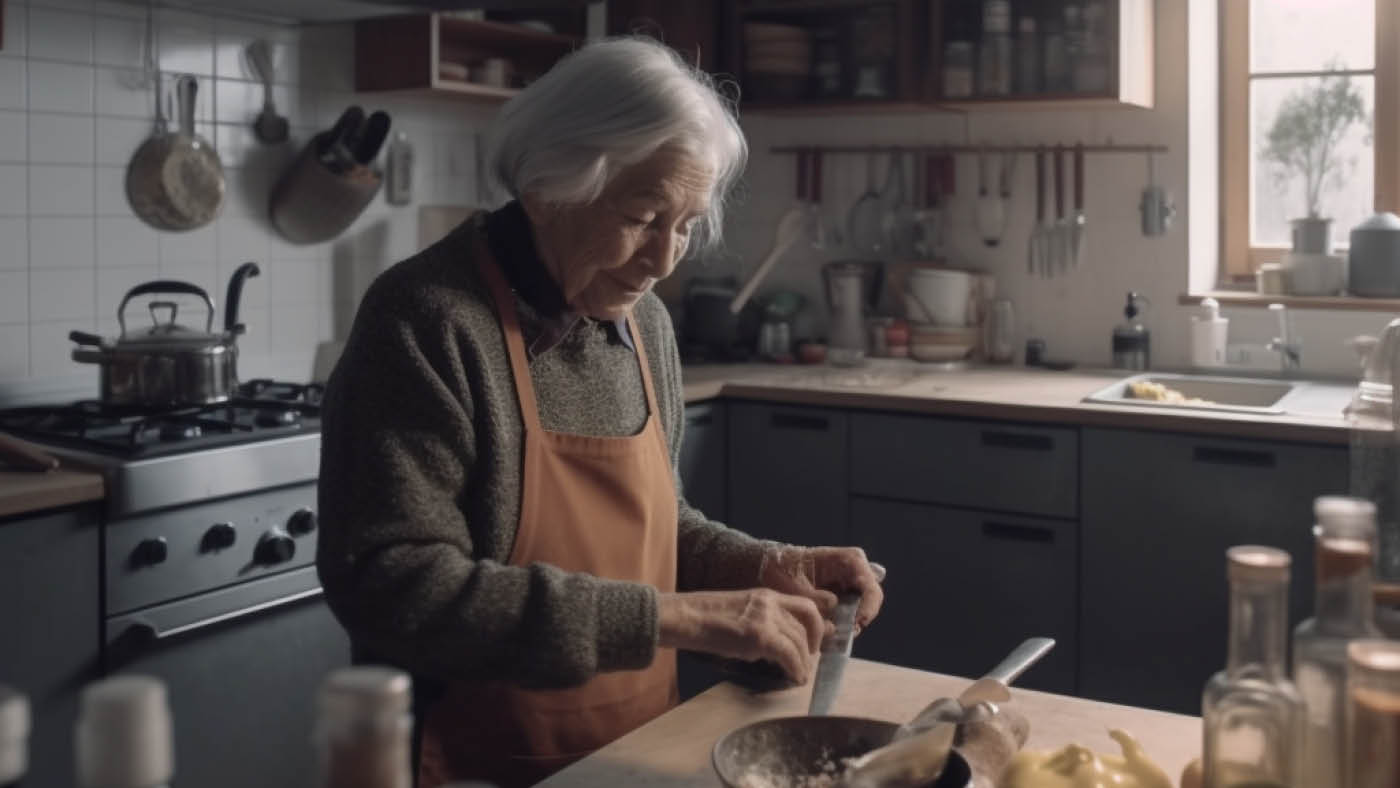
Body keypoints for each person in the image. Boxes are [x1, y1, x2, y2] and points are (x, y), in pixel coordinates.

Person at [316, 37, 884, 788]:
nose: (664, 261)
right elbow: (395, 587)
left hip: (638, 753)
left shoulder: (642, 322)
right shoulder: (427, 320)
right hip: (472, 766)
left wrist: (765, 566)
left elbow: (658, 529)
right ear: (549, 187)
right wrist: (681, 620)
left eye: (687, 224)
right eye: (644, 217)